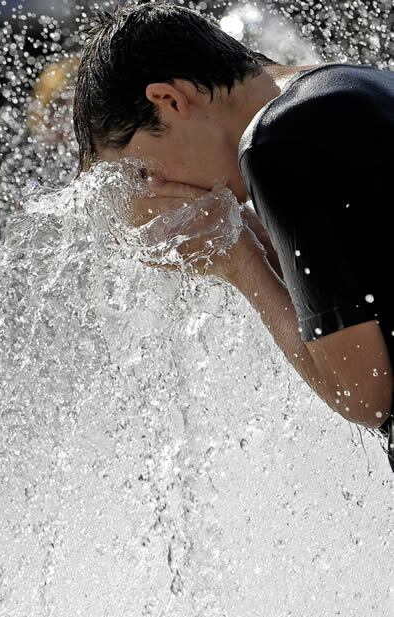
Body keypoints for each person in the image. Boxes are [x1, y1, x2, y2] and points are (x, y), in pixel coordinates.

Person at [72, 1, 394, 471]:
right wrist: (257, 236)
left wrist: (237, 262)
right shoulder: (349, 87)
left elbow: (364, 393)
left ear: (168, 100)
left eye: (140, 170)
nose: (156, 190)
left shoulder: (276, 142)